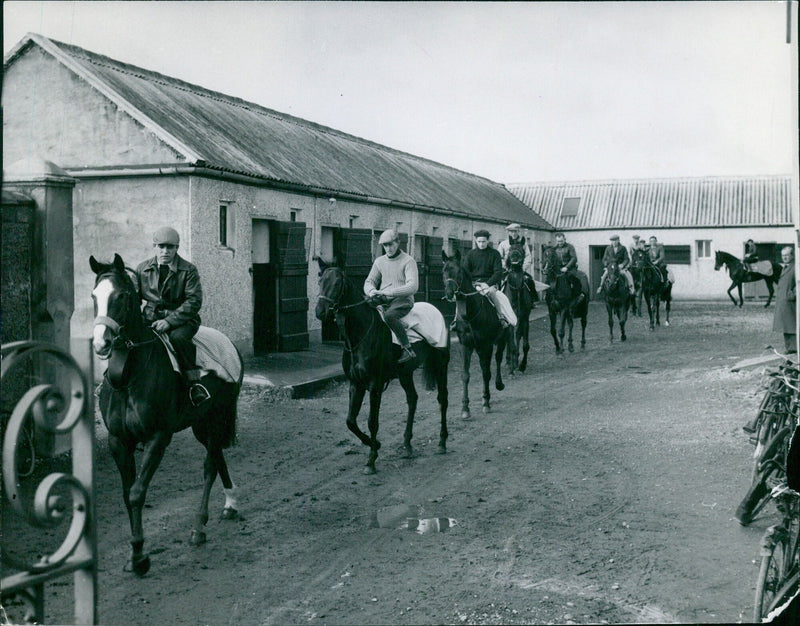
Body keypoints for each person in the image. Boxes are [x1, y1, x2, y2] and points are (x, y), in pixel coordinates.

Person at [137, 226, 210, 405]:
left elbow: (193, 301)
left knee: (178, 339)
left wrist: (169, 322)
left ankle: (194, 384)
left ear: (177, 248)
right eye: (161, 246)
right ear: (154, 246)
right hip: (150, 319)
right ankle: (113, 381)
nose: (165, 251)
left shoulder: (188, 270)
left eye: (170, 247)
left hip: (183, 321)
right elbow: (134, 297)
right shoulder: (142, 269)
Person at [364, 229, 418, 363]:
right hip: (383, 299)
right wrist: (371, 291)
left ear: (398, 242)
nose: (388, 248)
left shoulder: (408, 261)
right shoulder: (379, 261)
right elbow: (369, 281)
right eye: (385, 245)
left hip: (402, 300)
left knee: (389, 316)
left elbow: (413, 287)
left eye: (390, 244)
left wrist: (388, 292)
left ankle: (407, 348)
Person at [463, 229, 517, 328]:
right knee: (463, 296)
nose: (481, 244)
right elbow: (466, 271)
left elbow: (498, 272)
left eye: (484, 241)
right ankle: (458, 320)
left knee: (492, 293)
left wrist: (487, 284)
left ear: (488, 241)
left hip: (490, 283)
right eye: (479, 241)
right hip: (474, 283)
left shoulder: (494, 254)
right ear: (476, 241)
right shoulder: (470, 254)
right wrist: (472, 282)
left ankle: (500, 316)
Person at [497, 223, 537, 306]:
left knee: (529, 281)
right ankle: (498, 303)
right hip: (507, 270)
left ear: (519, 232)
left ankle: (532, 300)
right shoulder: (503, 244)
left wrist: (523, 268)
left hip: (519, 270)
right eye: (511, 232)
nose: (513, 234)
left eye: (515, 231)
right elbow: (499, 257)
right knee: (499, 284)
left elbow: (528, 257)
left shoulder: (523, 244)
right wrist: (505, 266)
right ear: (508, 232)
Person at [773, 246, 797, 354]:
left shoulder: (796, 267)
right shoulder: (785, 267)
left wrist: (792, 294)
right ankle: (789, 347)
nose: (785, 258)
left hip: (790, 301)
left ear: (792, 255)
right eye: (783, 256)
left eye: (787, 255)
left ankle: (794, 348)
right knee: (785, 325)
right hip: (783, 302)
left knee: (791, 325)